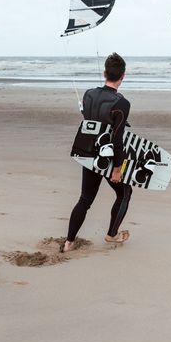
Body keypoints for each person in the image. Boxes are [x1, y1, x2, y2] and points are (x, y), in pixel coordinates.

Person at [63, 52, 132, 252]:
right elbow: (117, 139)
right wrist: (117, 168)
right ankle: (112, 234)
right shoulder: (122, 104)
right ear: (123, 76)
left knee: (85, 199)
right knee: (125, 192)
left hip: (88, 154)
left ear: (104, 73)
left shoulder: (88, 94)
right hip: (108, 158)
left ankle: (69, 243)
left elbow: (89, 119)